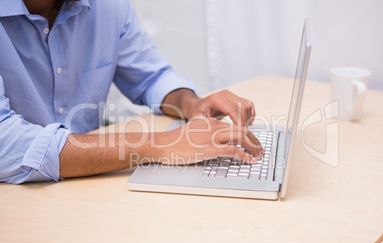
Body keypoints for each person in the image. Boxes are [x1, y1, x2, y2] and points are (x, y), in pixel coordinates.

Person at [0, 0, 263, 184]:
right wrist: (162, 143)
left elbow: (151, 75)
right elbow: (6, 143)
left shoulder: (108, 6)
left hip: (87, 185)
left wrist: (192, 103)